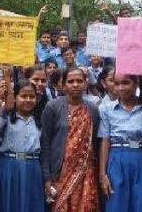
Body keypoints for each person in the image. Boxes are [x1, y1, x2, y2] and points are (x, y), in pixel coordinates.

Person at [40, 67, 99, 212]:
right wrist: (47, 179)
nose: (75, 85)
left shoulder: (92, 109)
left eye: (79, 81)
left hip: (85, 174)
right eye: (71, 81)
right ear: (63, 85)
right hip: (60, 173)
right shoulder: (52, 106)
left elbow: (95, 143)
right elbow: (45, 143)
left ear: (86, 83)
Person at [98, 74, 142, 212]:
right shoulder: (106, 109)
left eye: (125, 83)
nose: (120, 87)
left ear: (136, 83)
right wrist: (102, 174)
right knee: (117, 203)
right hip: (117, 159)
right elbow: (105, 141)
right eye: (116, 83)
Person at [0, 79, 44, 212]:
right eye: (23, 96)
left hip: (33, 167)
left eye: (32, 96)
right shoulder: (7, 117)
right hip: (10, 167)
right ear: (15, 98)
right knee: (10, 203)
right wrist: (0, 99)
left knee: (31, 203)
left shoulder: (38, 120)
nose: (28, 100)